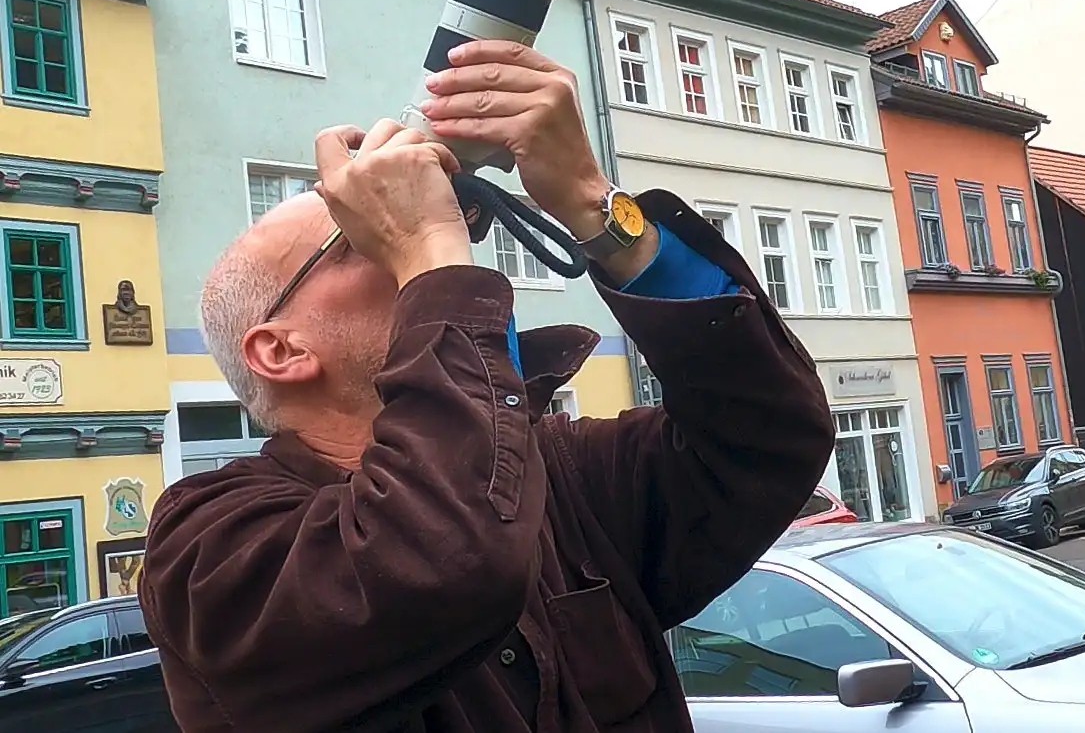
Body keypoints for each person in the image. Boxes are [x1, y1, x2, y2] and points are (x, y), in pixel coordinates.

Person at [139, 41, 836, 733]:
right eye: (357, 239)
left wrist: (593, 204)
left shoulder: (563, 479)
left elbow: (768, 437)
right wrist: (429, 257)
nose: (414, 240)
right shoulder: (208, 549)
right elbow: (450, 554)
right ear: (280, 350)